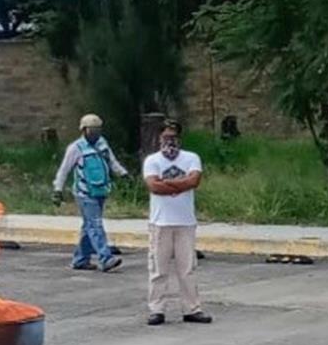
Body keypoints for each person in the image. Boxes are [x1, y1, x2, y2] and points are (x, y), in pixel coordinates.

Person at [142, 122, 210, 326]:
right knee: (158, 270)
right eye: (166, 137)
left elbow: (194, 181)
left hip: (185, 222)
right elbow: (154, 186)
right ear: (159, 139)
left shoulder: (191, 158)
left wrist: (168, 183)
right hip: (160, 223)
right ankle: (157, 310)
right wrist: (182, 183)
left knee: (187, 269)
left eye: (173, 137)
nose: (169, 141)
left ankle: (192, 309)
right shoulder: (152, 160)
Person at [52, 114, 129, 273]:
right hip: (84, 193)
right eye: (91, 130)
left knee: (89, 226)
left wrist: (123, 174)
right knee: (95, 224)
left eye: (97, 130)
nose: (95, 133)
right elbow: (64, 170)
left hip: (101, 190)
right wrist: (57, 190)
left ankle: (80, 259)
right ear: (84, 130)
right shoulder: (76, 148)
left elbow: (111, 161)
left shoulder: (102, 144)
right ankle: (105, 258)